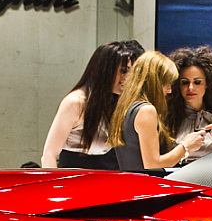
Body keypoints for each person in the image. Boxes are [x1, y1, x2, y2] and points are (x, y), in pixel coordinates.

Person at [41, 40, 140, 169]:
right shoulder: (75, 103)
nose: (127, 78)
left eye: (130, 72)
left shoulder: (119, 102)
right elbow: (49, 155)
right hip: (74, 175)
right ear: (105, 71)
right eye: (123, 71)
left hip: (108, 175)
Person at [110, 50, 206, 172]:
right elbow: (153, 165)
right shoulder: (146, 111)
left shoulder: (125, 107)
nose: (169, 90)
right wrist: (185, 146)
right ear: (154, 82)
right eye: (167, 83)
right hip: (147, 183)